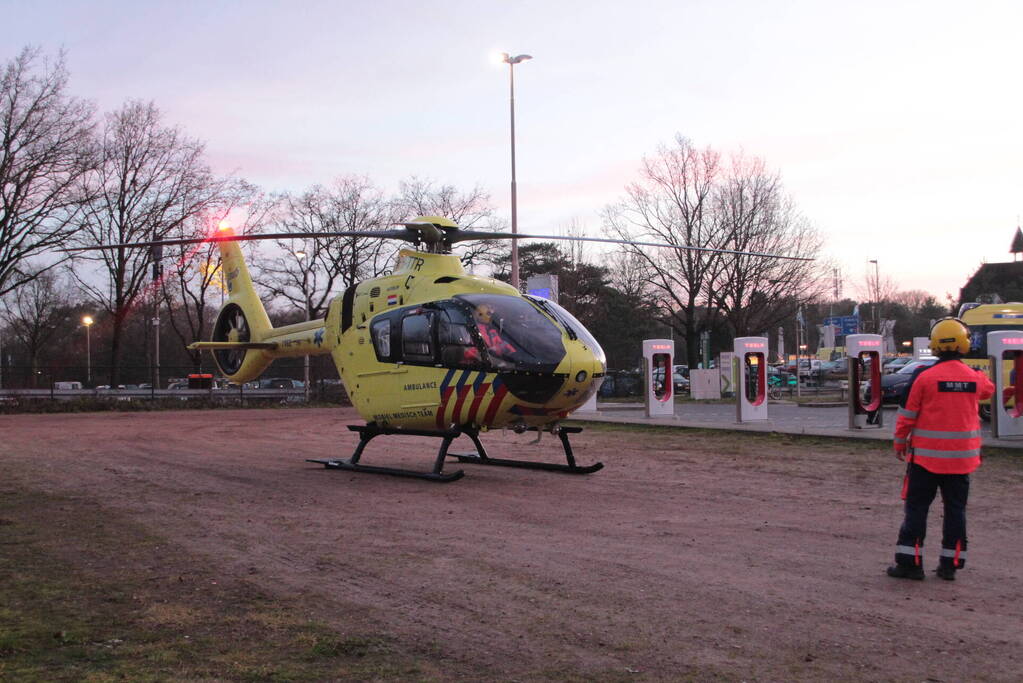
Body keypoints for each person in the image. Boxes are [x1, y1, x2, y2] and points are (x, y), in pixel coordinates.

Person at [887, 317, 993, 581]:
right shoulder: (975, 379)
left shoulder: (923, 377)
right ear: (964, 343)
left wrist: (900, 442)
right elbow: (989, 391)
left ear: (934, 344)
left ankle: (910, 564)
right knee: (956, 511)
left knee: (916, 510)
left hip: (925, 461)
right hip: (962, 462)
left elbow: (907, 415)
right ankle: (950, 565)